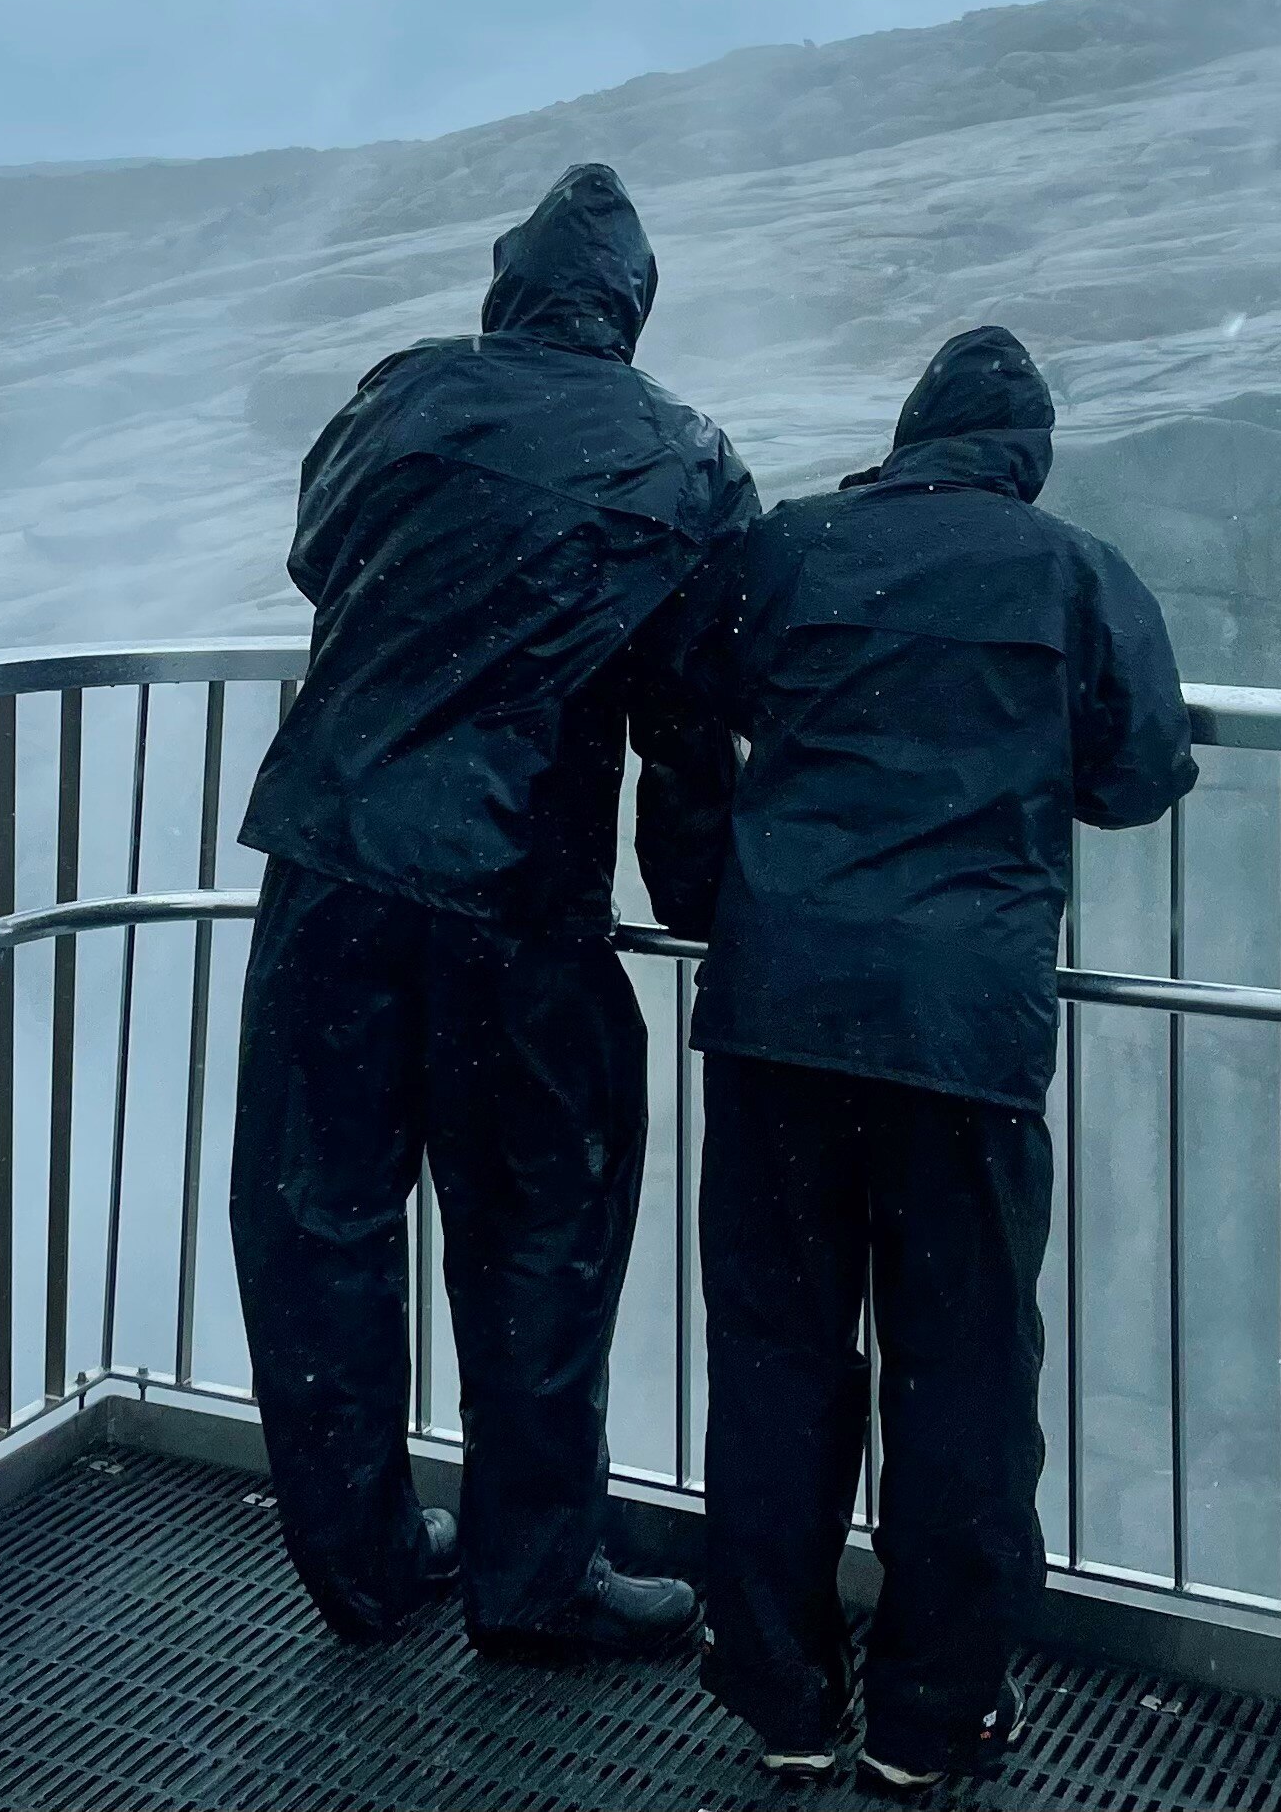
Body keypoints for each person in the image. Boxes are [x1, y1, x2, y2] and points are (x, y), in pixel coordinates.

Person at [651, 324, 1196, 1790]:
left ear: (905, 435)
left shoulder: (789, 548)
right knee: (956, 1374)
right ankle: (931, 1713)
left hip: (778, 1019)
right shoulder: (1074, 573)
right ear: (1023, 461)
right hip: (960, 1034)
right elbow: (1138, 778)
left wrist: (703, 895)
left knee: (776, 1355)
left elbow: (683, 709)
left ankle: (775, 1694)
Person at [231, 162, 757, 1656]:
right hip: (518, 901)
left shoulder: (400, 393)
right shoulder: (688, 458)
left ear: (503, 285)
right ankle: (536, 1585)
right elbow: (688, 712)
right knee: (539, 1235)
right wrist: (704, 903)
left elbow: (316, 556)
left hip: (330, 869)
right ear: (630, 313)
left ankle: (364, 1565)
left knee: (315, 1221)